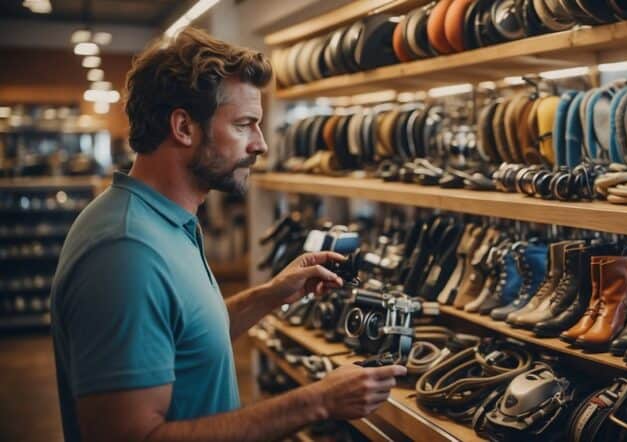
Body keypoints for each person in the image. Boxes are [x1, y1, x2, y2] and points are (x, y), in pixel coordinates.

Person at [50, 27, 405, 442]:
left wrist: (270, 294)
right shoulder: (126, 252)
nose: (260, 144)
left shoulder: (166, 222)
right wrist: (317, 401)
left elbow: (186, 341)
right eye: (244, 125)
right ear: (183, 127)